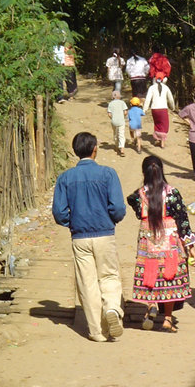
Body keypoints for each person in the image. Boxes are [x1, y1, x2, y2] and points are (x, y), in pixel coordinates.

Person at [52, 132, 126, 342]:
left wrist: (72, 221)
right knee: (109, 276)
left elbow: (58, 212)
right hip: (104, 234)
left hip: (80, 237)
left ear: (76, 151)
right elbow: (118, 208)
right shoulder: (108, 174)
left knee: (87, 282)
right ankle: (112, 308)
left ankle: (96, 331)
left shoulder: (65, 178)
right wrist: (111, 219)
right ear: (95, 149)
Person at [128, 156, 195, 332]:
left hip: (147, 243)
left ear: (144, 173)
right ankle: (167, 318)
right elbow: (183, 222)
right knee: (169, 277)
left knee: (151, 274)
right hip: (170, 243)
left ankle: (151, 305)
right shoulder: (172, 194)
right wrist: (190, 247)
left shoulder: (139, 196)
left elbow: (135, 207)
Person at [143, 72, 175, 148]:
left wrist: (144, 109)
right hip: (163, 108)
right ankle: (162, 142)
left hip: (154, 109)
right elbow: (171, 99)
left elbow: (148, 99)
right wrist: (172, 107)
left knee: (157, 124)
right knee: (164, 125)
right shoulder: (166, 88)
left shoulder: (151, 87)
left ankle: (157, 139)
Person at [107, 90, 128, 157]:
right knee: (121, 134)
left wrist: (113, 118)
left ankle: (116, 146)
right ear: (119, 96)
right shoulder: (122, 103)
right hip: (121, 121)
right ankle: (122, 149)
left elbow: (109, 114)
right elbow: (125, 112)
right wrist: (123, 116)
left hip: (114, 121)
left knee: (115, 134)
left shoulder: (110, 104)